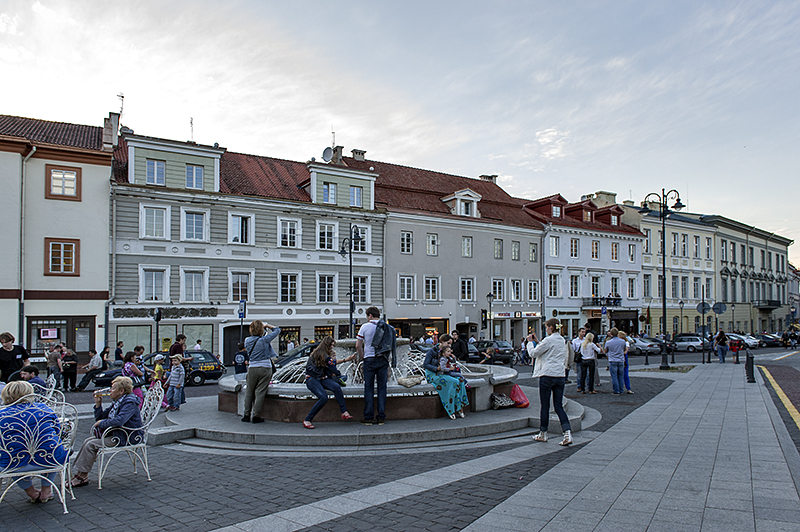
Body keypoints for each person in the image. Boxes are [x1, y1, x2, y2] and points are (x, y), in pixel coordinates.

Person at [0, 381, 68, 503]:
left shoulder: (2, 415)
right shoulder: (44, 408)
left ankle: (31, 492)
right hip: (49, 459)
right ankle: (46, 490)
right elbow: (57, 430)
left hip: (14, 464)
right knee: (52, 448)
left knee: (15, 453)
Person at [70, 376, 143, 488]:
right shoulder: (118, 401)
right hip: (116, 434)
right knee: (88, 441)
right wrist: (98, 405)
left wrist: (101, 423)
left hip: (126, 436)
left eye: (112, 388)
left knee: (91, 444)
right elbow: (102, 417)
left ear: (121, 391)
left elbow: (119, 421)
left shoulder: (129, 402)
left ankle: (83, 476)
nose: (109, 390)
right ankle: (80, 473)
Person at [302, 336, 355, 429]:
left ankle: (344, 412)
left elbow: (331, 363)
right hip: (312, 379)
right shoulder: (320, 353)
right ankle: (307, 419)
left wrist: (345, 361)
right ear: (327, 345)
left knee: (336, 387)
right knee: (323, 397)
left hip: (321, 378)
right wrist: (339, 372)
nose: (332, 347)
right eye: (331, 345)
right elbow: (332, 365)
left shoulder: (323, 354)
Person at [357, 306, 396, 425]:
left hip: (369, 359)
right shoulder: (387, 327)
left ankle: (368, 417)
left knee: (368, 388)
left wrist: (362, 356)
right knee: (381, 388)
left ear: (369, 315)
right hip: (383, 360)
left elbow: (358, 345)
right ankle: (381, 417)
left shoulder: (365, 326)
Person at [241, 320, 280, 423]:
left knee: (249, 392)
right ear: (261, 329)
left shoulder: (247, 340)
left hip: (252, 367)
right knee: (260, 392)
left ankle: (246, 415)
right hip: (265, 368)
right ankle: (256, 416)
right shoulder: (264, 340)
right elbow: (277, 330)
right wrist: (267, 325)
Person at [423, 334, 468, 419]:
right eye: (448, 343)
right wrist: (436, 368)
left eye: (450, 344)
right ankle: (450, 408)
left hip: (443, 373)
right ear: (442, 342)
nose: (449, 345)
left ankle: (460, 406)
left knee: (460, 380)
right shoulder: (431, 351)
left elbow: (451, 362)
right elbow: (425, 365)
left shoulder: (447, 351)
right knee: (454, 382)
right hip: (432, 374)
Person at [604, 328, 627, 395]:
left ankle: (616, 390)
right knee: (620, 376)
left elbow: (605, 351)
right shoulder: (622, 341)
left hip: (612, 360)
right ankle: (621, 389)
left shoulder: (608, 342)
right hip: (620, 360)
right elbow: (624, 349)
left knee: (614, 376)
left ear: (611, 334)